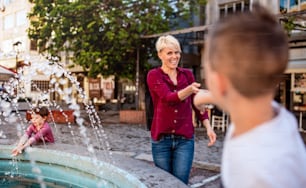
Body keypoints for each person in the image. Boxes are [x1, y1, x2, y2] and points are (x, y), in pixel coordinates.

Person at [194, 3, 306, 188]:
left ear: (220, 82)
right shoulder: (273, 114)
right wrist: (202, 98)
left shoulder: (257, 176)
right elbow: (227, 95)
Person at [146, 35, 216, 184]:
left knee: (181, 183)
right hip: (161, 140)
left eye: (177, 52)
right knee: (164, 184)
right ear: (160, 54)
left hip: (184, 140)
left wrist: (208, 127)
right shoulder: (154, 75)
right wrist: (189, 90)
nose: (174, 56)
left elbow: (196, 103)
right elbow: (168, 98)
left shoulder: (188, 75)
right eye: (169, 53)